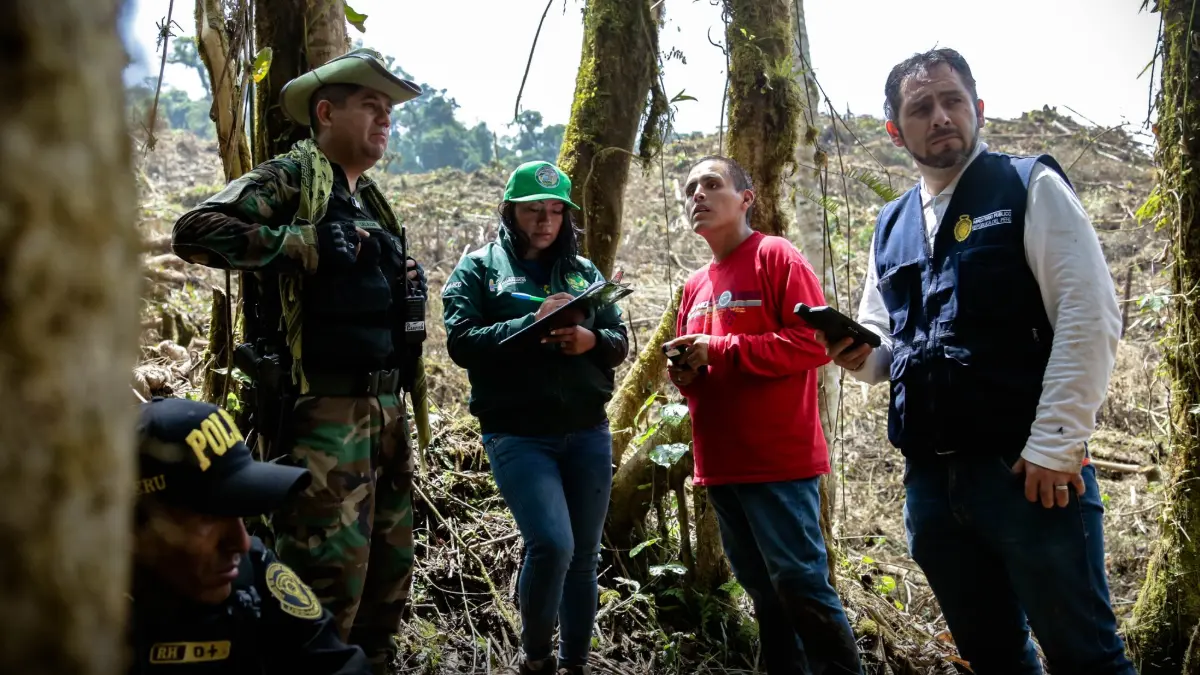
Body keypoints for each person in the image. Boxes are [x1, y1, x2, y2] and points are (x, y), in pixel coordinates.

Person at [823, 48, 1135, 674]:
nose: (941, 117)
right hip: (932, 488)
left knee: (1087, 657)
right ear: (895, 130)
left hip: (1028, 474)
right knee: (993, 657)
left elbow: (1089, 314)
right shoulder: (891, 225)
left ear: (978, 108)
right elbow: (885, 346)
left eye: (952, 101)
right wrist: (857, 355)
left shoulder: (1028, 186)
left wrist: (1056, 442)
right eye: (921, 108)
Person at [170, 47, 426, 673]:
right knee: (323, 588)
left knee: (386, 587)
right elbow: (195, 231)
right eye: (370, 105)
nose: (383, 118)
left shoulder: (375, 202)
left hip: (387, 413)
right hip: (325, 417)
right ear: (325, 112)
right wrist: (301, 244)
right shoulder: (292, 178)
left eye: (388, 108)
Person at [664, 155, 863, 675]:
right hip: (722, 465)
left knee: (800, 585)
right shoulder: (694, 286)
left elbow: (815, 344)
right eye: (690, 189)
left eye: (712, 184)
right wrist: (686, 375)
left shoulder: (775, 256)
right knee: (764, 595)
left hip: (778, 462)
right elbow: (705, 369)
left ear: (746, 198)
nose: (697, 196)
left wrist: (719, 349)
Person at [441, 161, 629, 675]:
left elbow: (619, 342)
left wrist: (590, 340)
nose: (545, 221)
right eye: (533, 211)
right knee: (551, 543)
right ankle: (536, 658)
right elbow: (461, 343)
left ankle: (576, 662)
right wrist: (533, 321)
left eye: (555, 211)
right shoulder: (479, 269)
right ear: (511, 212)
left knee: (585, 558)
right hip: (518, 434)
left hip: (588, 430)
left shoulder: (584, 272)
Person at [128, 396, 370, 674]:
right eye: (209, 518)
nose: (240, 542)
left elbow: (337, 662)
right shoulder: (80, 620)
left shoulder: (252, 572)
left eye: (239, 513)